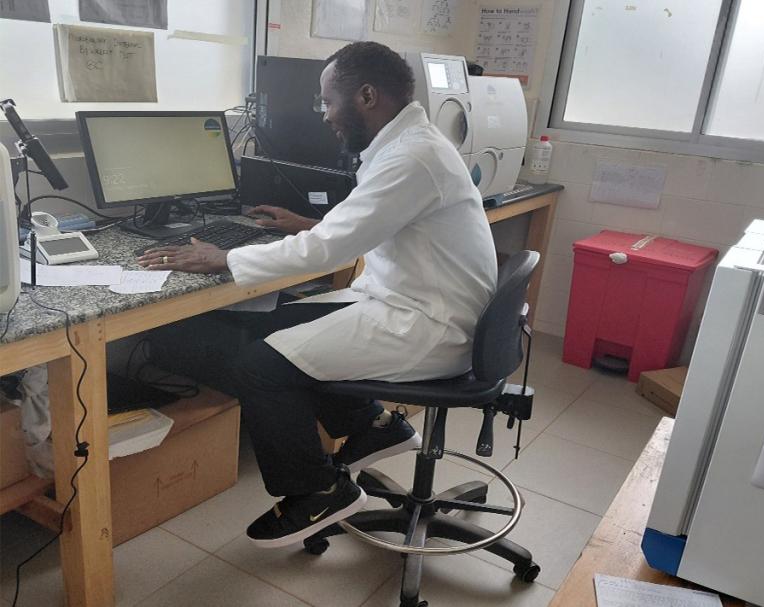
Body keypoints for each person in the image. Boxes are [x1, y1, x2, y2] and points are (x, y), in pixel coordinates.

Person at [137, 41, 498, 548]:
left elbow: (330, 251)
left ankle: (317, 491)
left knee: (260, 366)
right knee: (276, 325)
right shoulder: (408, 143)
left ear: (366, 95)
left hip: (429, 323)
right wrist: (310, 223)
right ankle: (373, 427)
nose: (325, 115)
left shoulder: (413, 156)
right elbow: (379, 223)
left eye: (328, 101)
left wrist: (226, 257)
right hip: (412, 299)